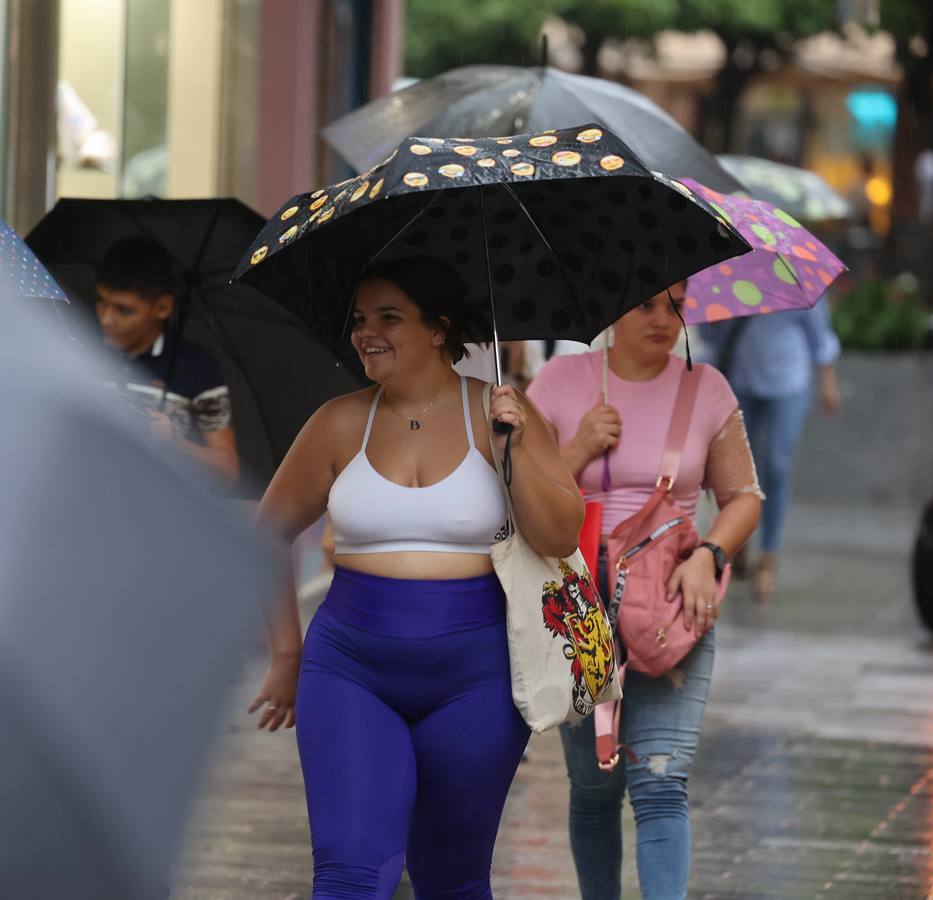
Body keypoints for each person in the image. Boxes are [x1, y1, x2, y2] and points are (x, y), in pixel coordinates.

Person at [247, 256, 584, 898]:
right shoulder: (338, 422)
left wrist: (511, 451)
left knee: (453, 878)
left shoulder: (503, 413)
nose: (365, 333)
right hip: (348, 669)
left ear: (438, 329)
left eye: (388, 317)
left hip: (478, 676)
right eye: (359, 319)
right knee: (349, 872)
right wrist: (286, 656)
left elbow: (560, 535)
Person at [526, 287, 762, 900]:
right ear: (613, 306)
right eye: (647, 304)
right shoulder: (559, 383)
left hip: (668, 608)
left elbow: (743, 498)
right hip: (578, 610)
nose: (664, 319)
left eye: (676, 304)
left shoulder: (706, 389)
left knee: (660, 783)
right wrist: (577, 449)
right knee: (594, 787)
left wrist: (710, 555)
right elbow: (518, 495)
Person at [699, 300, 840, 601]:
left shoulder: (792, 280)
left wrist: (828, 378)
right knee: (738, 471)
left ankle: (768, 557)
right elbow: (710, 336)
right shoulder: (728, 282)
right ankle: (738, 540)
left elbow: (819, 332)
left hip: (789, 384)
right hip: (742, 381)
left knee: (776, 465)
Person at [95, 235, 238, 484]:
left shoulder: (197, 367)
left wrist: (177, 445)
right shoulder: (81, 351)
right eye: (101, 302)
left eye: (123, 310)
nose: (106, 319)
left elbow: (228, 473)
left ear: (162, 307)